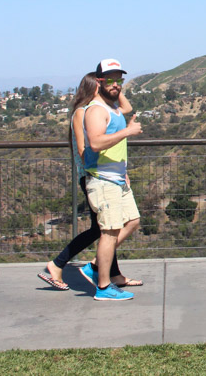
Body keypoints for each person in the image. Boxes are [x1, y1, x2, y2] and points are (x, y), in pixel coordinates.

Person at [37, 72, 141, 290]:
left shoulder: (101, 109)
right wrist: (96, 172)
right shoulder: (82, 112)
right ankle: (58, 265)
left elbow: (127, 108)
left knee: (106, 229)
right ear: (93, 87)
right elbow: (84, 149)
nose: (109, 87)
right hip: (93, 175)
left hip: (103, 174)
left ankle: (113, 274)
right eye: (101, 84)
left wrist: (115, 88)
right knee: (103, 230)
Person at [82, 59, 143, 301]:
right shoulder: (96, 110)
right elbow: (95, 143)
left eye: (119, 79)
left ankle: (96, 265)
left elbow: (126, 109)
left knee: (133, 220)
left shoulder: (114, 106)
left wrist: (118, 89)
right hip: (103, 180)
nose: (115, 84)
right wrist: (128, 131)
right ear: (99, 82)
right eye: (110, 79)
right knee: (108, 232)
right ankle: (104, 287)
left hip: (117, 177)